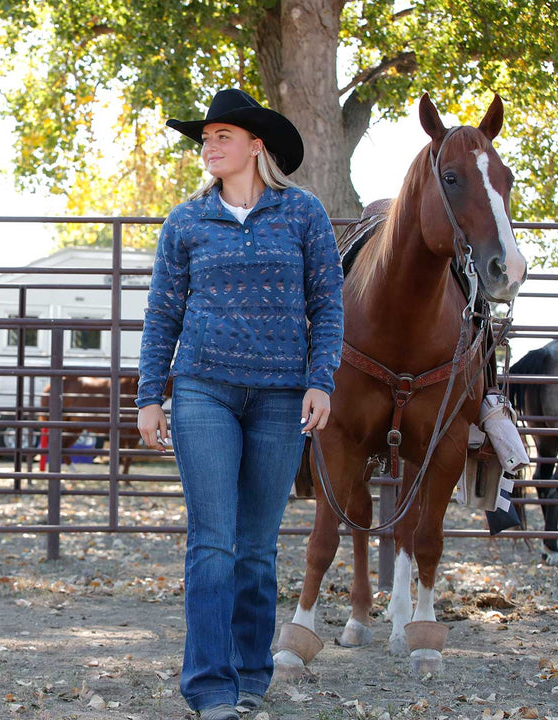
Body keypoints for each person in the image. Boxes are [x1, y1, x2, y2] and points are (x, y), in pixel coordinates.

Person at [135, 88, 344, 719]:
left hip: (282, 396)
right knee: (212, 543)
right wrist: (151, 395)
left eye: (220, 135)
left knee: (256, 546)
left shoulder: (303, 214)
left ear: (257, 145)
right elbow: (161, 313)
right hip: (203, 390)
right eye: (204, 138)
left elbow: (327, 305)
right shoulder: (185, 222)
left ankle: (251, 673)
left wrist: (320, 379)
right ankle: (208, 686)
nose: (208, 146)